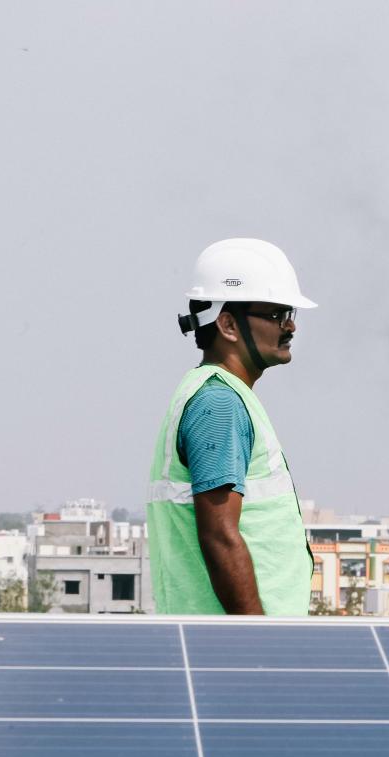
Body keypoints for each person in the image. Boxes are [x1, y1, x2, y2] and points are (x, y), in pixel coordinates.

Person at [146, 237, 317, 616]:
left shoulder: (223, 396)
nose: (289, 326)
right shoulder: (218, 404)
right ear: (227, 324)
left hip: (226, 646)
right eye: (275, 314)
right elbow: (220, 536)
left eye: (290, 313)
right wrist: (257, 642)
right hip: (235, 649)